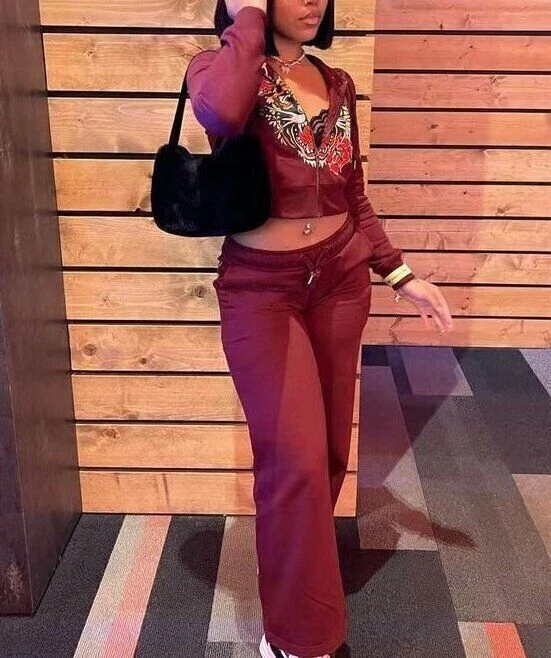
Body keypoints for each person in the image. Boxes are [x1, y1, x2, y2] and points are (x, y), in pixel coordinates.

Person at [186, 1, 454, 656]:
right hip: (261, 292)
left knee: (329, 454)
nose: (312, 0)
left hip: (339, 281)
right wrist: (245, 16)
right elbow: (219, 114)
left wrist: (399, 274)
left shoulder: (337, 83)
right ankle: (298, 639)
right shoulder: (218, 70)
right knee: (296, 464)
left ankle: (300, 581)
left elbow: (352, 193)